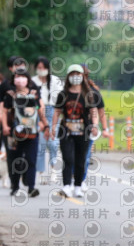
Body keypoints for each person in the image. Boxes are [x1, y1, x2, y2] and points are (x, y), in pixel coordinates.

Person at [49, 64, 100, 198]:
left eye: (78, 74)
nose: (75, 77)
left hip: (83, 131)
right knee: (68, 158)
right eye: (73, 74)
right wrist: (53, 127)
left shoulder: (88, 94)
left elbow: (94, 111)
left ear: (83, 76)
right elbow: (57, 112)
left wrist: (95, 125)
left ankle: (78, 186)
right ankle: (66, 186)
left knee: (80, 159)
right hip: (66, 130)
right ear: (68, 77)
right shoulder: (63, 94)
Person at [0, 68, 47, 197]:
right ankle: (15, 186)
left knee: (31, 159)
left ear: (28, 79)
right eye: (17, 77)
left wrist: (44, 124)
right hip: (13, 133)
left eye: (23, 77)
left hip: (32, 133)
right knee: (15, 160)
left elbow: (39, 109)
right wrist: (5, 126)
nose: (20, 80)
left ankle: (31, 187)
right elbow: (4, 111)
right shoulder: (10, 95)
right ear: (13, 80)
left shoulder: (34, 93)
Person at [77, 64, 109, 191]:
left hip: (88, 130)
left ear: (85, 76)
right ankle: (74, 178)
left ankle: (81, 180)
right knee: (72, 155)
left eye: (79, 75)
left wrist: (105, 129)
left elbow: (101, 112)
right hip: (71, 129)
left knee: (85, 156)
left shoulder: (94, 92)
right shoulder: (68, 92)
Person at [32, 56, 64, 185]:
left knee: (53, 142)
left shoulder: (55, 80)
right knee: (40, 144)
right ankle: (40, 173)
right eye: (39, 68)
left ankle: (53, 170)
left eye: (43, 67)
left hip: (53, 111)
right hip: (37, 112)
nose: (41, 70)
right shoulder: (32, 81)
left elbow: (61, 99)